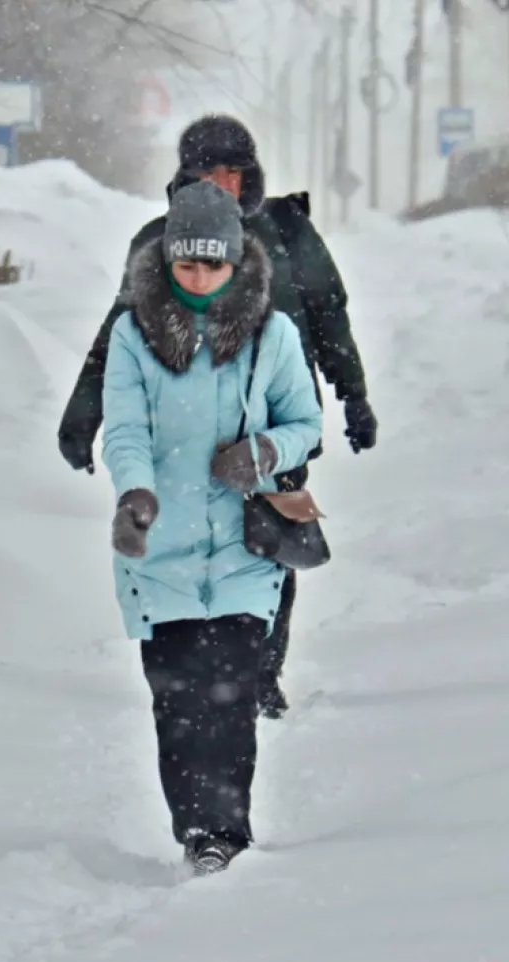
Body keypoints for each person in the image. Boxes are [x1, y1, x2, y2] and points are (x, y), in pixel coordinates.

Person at [61, 114, 377, 720]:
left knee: (272, 540)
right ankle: (199, 663)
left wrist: (353, 396)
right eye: (207, 171)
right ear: (185, 176)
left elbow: (329, 316)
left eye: (232, 172)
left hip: (279, 421)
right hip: (183, 424)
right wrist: (83, 418)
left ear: (249, 176)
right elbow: (117, 336)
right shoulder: (160, 242)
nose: (221, 183)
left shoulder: (286, 231)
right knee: (195, 544)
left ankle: (261, 669)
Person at [102, 180, 323, 875]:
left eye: (212, 265)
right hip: (158, 549)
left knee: (228, 702)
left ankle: (224, 834)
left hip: (242, 550)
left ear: (236, 262)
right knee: (179, 700)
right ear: (167, 260)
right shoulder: (133, 334)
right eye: (186, 265)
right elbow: (127, 429)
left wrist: (264, 453)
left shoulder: (272, 335)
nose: (198, 279)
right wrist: (135, 494)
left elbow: (305, 424)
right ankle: (195, 828)